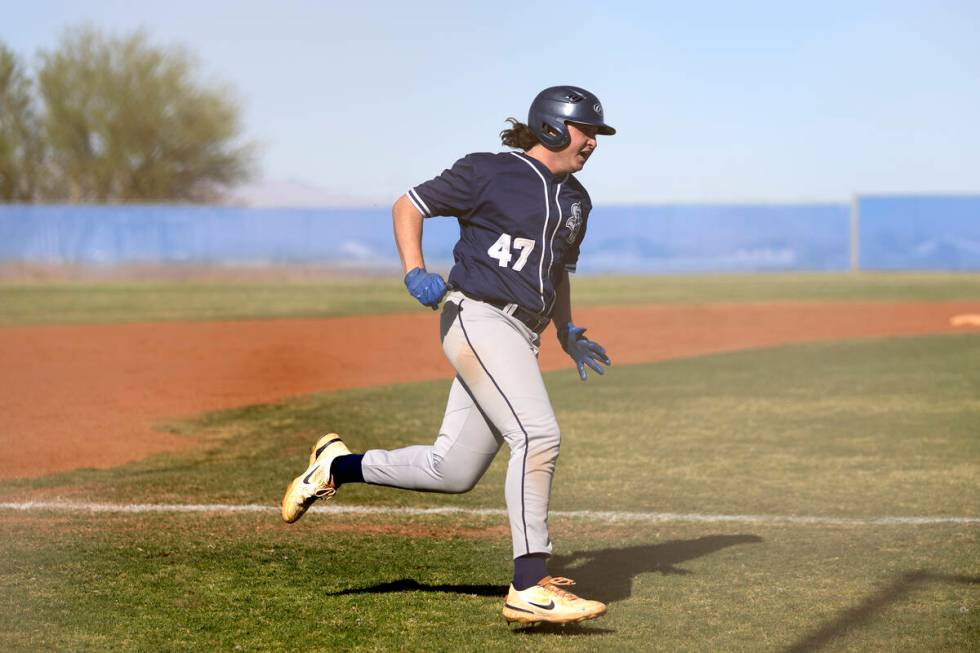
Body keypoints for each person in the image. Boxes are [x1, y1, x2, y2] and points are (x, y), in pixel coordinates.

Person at [281, 85, 616, 626]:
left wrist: (565, 329)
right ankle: (529, 585)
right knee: (537, 437)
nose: (594, 143)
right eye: (587, 131)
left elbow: (556, 271)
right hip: (478, 317)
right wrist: (414, 270)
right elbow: (409, 205)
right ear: (553, 128)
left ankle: (334, 466)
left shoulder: (577, 199)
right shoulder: (490, 170)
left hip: (520, 333)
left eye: (597, 134)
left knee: (452, 469)